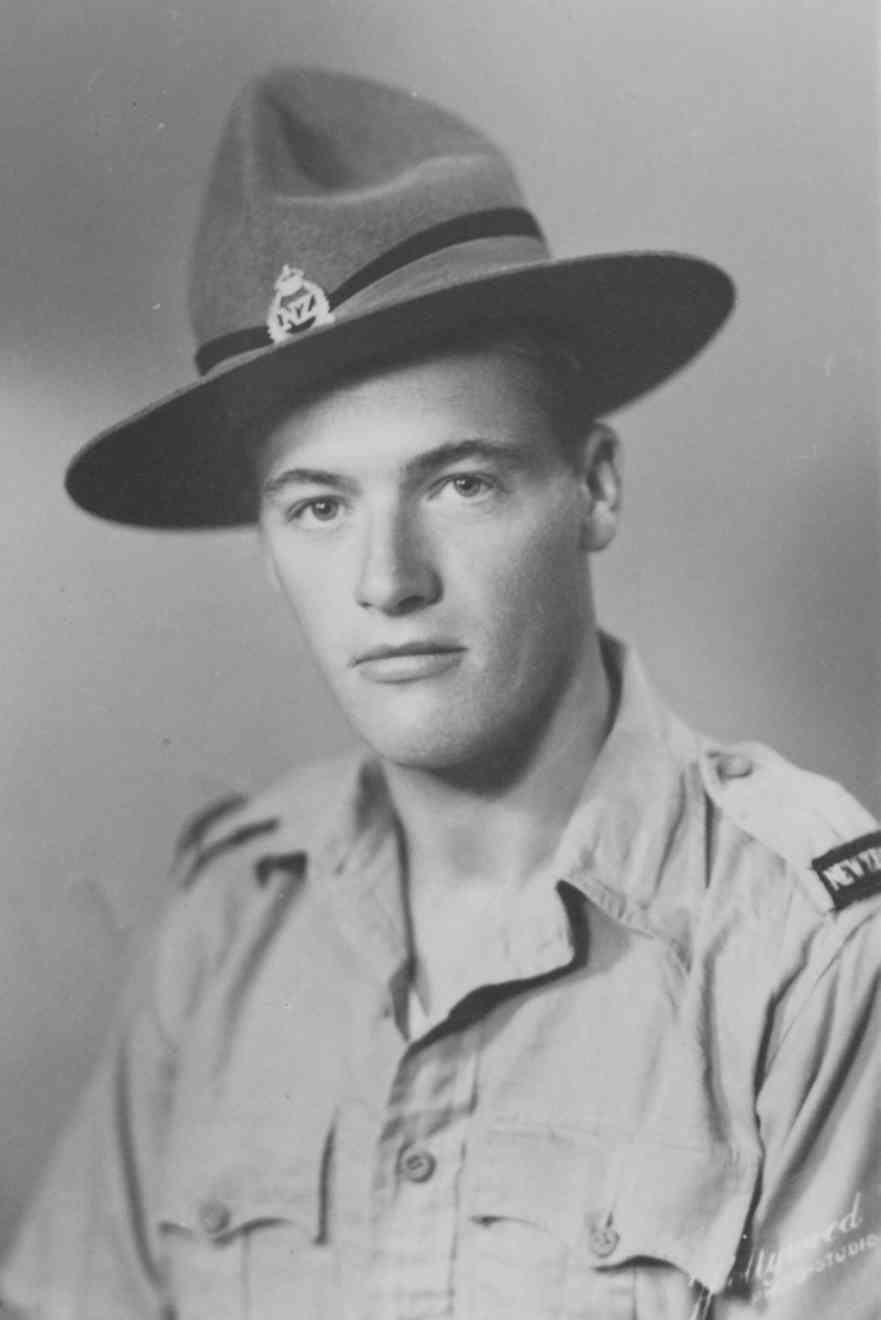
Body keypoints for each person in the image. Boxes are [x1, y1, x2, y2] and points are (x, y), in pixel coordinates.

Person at [2, 66, 880, 1320]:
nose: (387, 580)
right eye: (319, 506)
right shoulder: (227, 929)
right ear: (266, 546)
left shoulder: (808, 951)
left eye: (460, 483)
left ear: (594, 489)